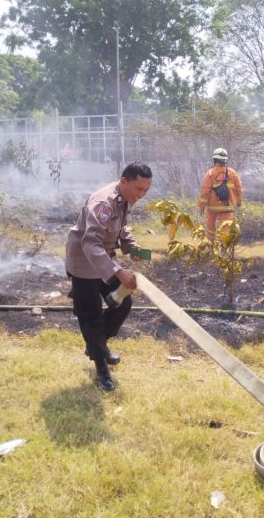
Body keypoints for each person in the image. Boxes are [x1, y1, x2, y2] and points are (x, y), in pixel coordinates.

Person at [65, 162, 153, 391]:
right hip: (84, 264)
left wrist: (133, 248)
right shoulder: (104, 203)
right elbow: (90, 242)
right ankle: (101, 367)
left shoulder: (123, 200)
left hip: (103, 261)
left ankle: (97, 345)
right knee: (91, 315)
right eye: (138, 189)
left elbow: (121, 229)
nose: (141, 195)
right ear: (123, 181)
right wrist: (117, 271)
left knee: (122, 303)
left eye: (146, 190)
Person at [198, 148, 243, 242]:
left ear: (214, 159)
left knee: (211, 227)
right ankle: (224, 246)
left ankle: (211, 246)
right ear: (225, 160)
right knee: (226, 228)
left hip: (212, 207)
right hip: (227, 206)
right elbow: (239, 189)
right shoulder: (233, 173)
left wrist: (201, 207)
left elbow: (205, 192)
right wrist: (239, 202)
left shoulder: (210, 173)